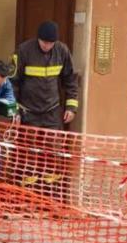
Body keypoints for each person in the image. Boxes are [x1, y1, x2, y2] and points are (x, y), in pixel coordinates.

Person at [10, 21, 79, 204]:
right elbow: (13, 83)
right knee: (28, 155)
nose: (47, 46)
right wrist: (14, 110)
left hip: (52, 112)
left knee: (54, 154)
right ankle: (26, 199)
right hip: (29, 112)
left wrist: (71, 107)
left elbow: (71, 80)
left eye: (50, 43)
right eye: (44, 43)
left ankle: (51, 199)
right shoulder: (24, 50)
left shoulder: (62, 51)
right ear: (38, 39)